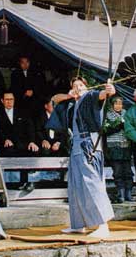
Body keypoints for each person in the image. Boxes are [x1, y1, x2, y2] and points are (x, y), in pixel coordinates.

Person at [47, 77, 115, 238]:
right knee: (75, 184)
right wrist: (70, 95)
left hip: (88, 145)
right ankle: (78, 225)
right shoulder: (72, 103)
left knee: (91, 182)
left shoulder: (89, 96)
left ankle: (103, 224)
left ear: (87, 87)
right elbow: (54, 99)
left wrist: (108, 90)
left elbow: (103, 95)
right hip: (76, 145)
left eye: (81, 85)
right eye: (74, 86)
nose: (78, 88)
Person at [103, 96, 133, 204]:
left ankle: (129, 193)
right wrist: (118, 125)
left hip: (126, 146)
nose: (118, 106)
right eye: (116, 104)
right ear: (112, 105)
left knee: (128, 171)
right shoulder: (107, 115)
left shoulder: (127, 113)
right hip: (114, 146)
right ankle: (120, 194)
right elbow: (105, 130)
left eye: (120, 104)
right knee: (118, 171)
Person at [0, 91, 38, 157]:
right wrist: (5, 139)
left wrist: (32, 141)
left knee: (34, 150)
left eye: (11, 99)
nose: (9, 102)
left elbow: (30, 127)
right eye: (7, 99)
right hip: (7, 144)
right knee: (8, 151)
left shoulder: (22, 112)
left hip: (23, 143)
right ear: (2, 100)